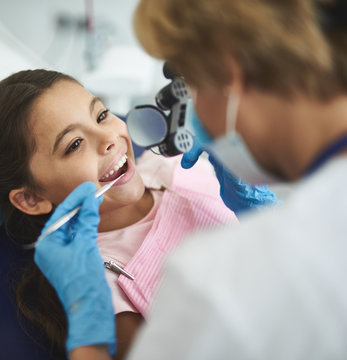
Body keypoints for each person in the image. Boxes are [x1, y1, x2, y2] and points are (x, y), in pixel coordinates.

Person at [32, 0, 347, 359]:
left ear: (228, 73)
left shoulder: (206, 279)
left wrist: (86, 323)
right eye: (74, 143)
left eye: (186, 87)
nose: (187, 114)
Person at [0, 69, 252, 358]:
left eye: (101, 115)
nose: (109, 138)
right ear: (31, 198)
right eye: (74, 144)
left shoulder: (173, 162)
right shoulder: (103, 291)